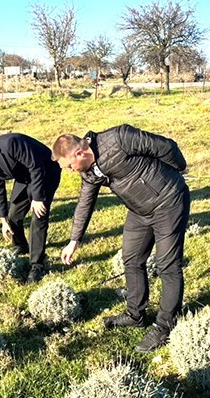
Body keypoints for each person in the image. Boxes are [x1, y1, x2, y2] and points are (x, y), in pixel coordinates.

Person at [52, 124, 190, 352]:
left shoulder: (119, 138)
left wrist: (177, 170)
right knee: (131, 259)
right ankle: (135, 315)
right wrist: (74, 240)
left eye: (69, 166)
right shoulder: (89, 172)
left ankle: (165, 326)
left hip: (168, 201)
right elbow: (85, 203)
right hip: (139, 210)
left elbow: (166, 146)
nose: (69, 171)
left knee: (168, 266)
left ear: (79, 153)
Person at [0, 134, 61, 282]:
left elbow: (36, 166)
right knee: (12, 217)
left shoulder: (11, 144)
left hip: (44, 171)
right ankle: (21, 246)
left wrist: (38, 198)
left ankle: (37, 265)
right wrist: (3, 218)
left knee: (38, 216)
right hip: (24, 177)